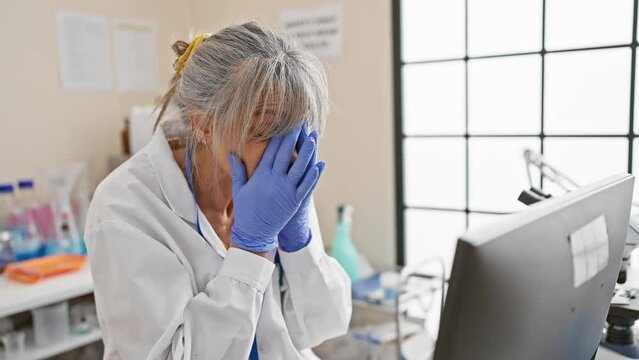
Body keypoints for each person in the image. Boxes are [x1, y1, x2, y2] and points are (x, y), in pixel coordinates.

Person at [84, 21, 352, 359]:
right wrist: (250, 250)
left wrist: (299, 241)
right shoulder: (125, 207)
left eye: (295, 128)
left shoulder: (277, 185)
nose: (289, 154)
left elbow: (322, 326)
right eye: (267, 127)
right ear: (204, 124)